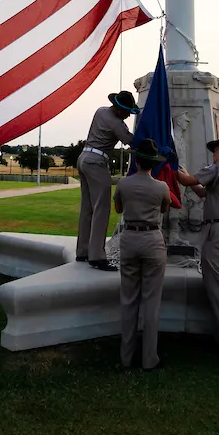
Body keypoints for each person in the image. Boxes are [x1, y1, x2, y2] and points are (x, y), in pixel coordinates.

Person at [175, 133, 219, 367]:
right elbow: (202, 191)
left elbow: (187, 182)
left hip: (216, 233)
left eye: (216, 150)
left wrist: (170, 166)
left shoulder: (218, 169)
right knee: (217, 285)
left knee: (218, 289)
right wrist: (184, 170)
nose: (214, 154)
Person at [113, 138, 172, 371]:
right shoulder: (161, 187)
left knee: (128, 301)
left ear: (136, 160)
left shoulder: (123, 184)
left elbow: (118, 209)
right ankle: (149, 359)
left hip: (129, 238)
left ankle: (126, 357)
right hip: (152, 240)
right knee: (151, 302)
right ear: (153, 164)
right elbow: (165, 208)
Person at [76, 90, 139, 271]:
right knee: (101, 208)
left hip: (83, 158)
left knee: (87, 208)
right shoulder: (117, 124)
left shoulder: (100, 111)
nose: (128, 115)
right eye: (127, 112)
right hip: (96, 162)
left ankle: (83, 250)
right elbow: (131, 141)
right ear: (119, 109)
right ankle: (97, 256)